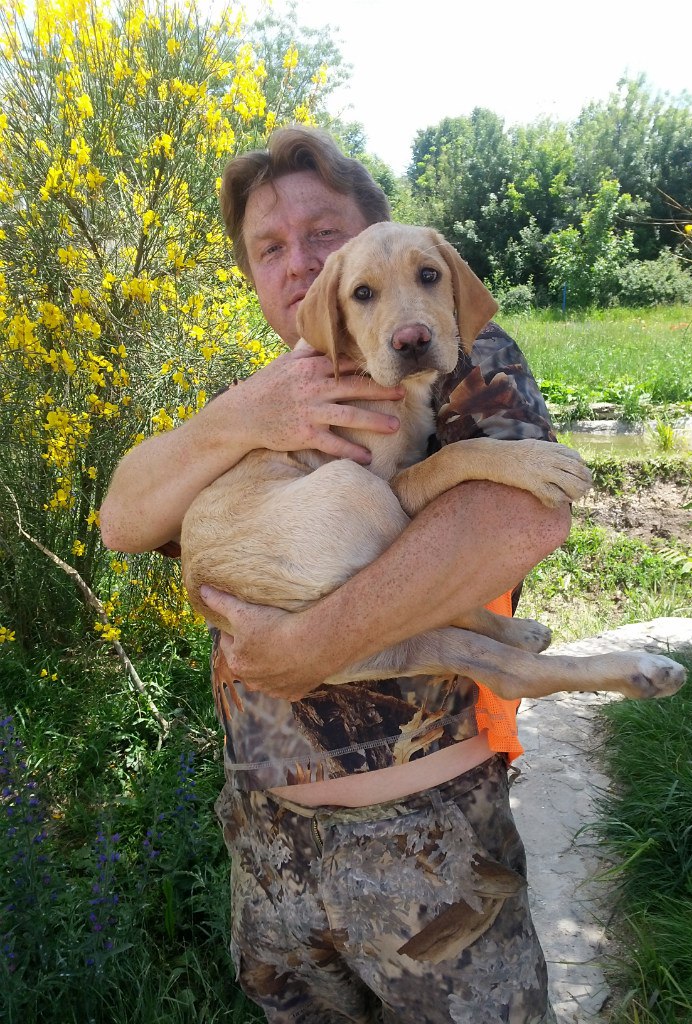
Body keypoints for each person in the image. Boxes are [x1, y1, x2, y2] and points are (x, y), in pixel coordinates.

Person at [100, 126, 569, 1024]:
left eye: (324, 234)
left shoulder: (448, 351)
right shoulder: (266, 398)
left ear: (373, 235)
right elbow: (124, 520)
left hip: (428, 843)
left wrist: (309, 644)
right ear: (252, 276)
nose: (301, 263)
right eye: (269, 248)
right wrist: (236, 420)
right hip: (269, 848)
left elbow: (521, 516)